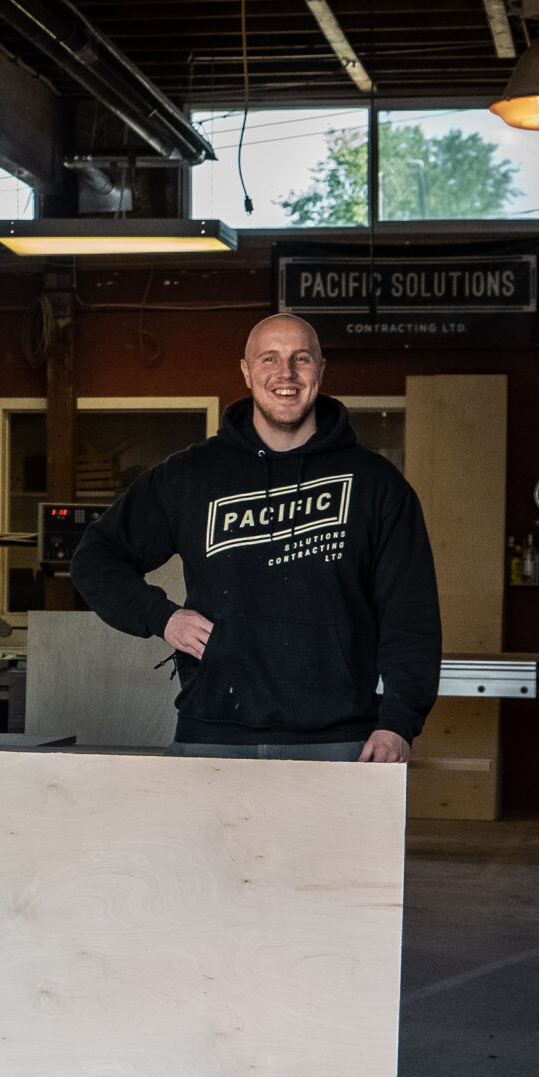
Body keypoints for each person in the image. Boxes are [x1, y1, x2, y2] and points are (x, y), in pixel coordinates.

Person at [70, 312, 442, 761]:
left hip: (338, 741)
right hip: (211, 736)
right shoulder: (190, 476)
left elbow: (411, 615)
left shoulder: (376, 484)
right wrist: (160, 616)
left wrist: (398, 723)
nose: (285, 374)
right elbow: (96, 557)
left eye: (300, 359)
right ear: (246, 371)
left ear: (320, 370)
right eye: (269, 359)